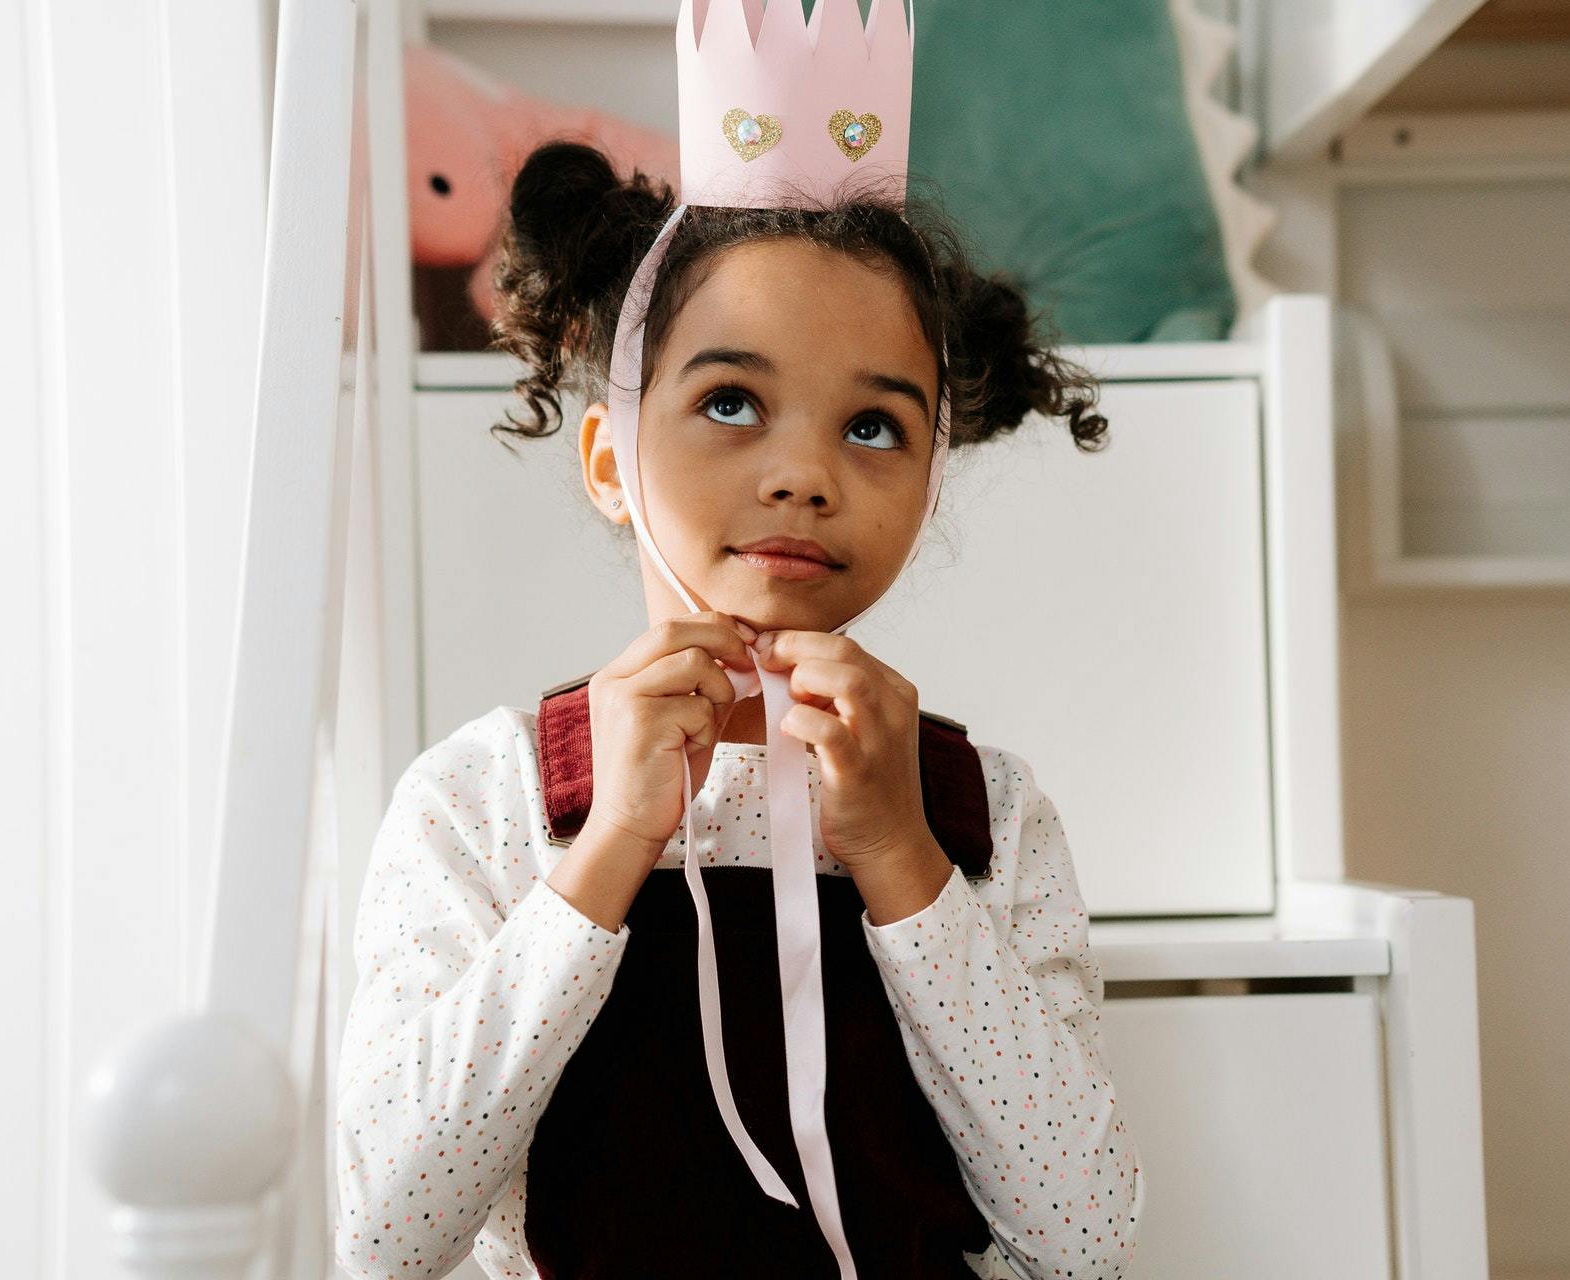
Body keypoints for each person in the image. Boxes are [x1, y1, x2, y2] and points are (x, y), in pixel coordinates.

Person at [332, 131, 1143, 1278]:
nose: (804, 473)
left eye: (873, 426)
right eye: (730, 401)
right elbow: (382, 1238)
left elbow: (1088, 1238)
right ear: (611, 461)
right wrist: (611, 842)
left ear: (928, 483)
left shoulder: (986, 816)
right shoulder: (481, 803)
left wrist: (900, 855)